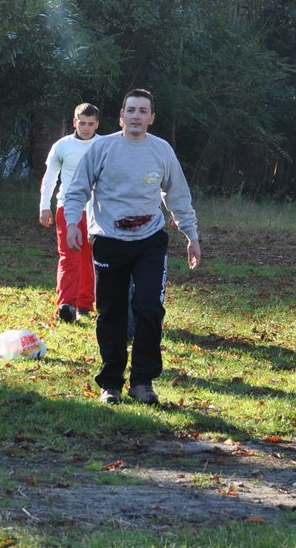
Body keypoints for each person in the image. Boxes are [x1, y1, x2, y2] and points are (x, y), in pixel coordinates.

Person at [61, 88, 201, 404]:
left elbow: (177, 197)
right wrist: (72, 223)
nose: (136, 116)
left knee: (150, 308)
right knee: (111, 312)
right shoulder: (102, 149)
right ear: (121, 116)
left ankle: (142, 382)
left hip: (150, 241)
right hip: (109, 240)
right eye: (131, 110)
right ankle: (110, 383)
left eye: (143, 111)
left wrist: (192, 237)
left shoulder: (162, 151)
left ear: (151, 118)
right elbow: (77, 190)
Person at [37, 102, 102, 322]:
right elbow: (50, 178)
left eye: (90, 124)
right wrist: (44, 206)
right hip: (67, 208)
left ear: (97, 124)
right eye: (82, 123)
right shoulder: (62, 146)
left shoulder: (104, 145)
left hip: (96, 211)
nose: (86, 128)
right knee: (69, 257)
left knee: (90, 258)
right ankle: (66, 305)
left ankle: (84, 304)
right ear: (74, 122)